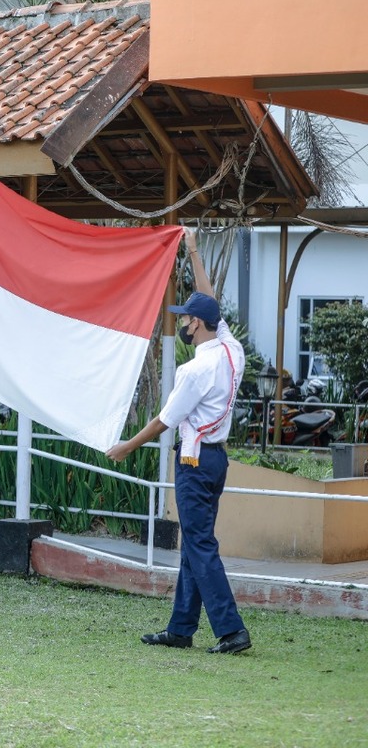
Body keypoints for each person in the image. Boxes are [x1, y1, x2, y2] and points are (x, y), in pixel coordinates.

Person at [106, 229, 251, 655]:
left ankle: (231, 630)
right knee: (195, 541)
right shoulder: (232, 350)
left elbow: (163, 421)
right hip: (216, 461)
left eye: (187, 318)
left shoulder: (195, 372)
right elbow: (209, 300)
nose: (184, 322)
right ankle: (181, 628)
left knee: (201, 545)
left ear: (198, 326)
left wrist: (126, 446)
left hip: (192, 462)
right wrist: (192, 251)